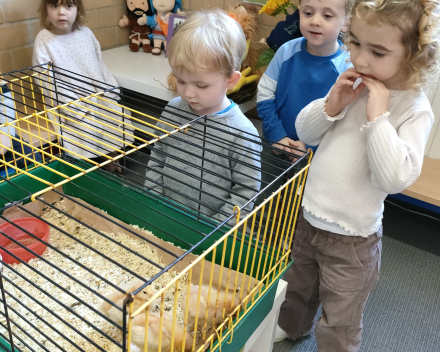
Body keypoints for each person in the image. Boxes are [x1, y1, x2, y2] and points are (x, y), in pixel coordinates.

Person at [278, 0, 439, 351]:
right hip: (309, 218)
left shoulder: (414, 109)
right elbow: (306, 132)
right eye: (355, 43)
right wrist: (332, 105)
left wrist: (377, 119)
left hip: (353, 240)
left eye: (377, 51)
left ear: (413, 56)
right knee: (297, 287)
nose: (359, 59)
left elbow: (394, 178)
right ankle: (291, 330)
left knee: (341, 314)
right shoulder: (353, 83)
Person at [144, 9, 262, 226]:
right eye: (180, 80)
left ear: (231, 80)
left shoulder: (242, 132)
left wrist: (212, 229)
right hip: (165, 217)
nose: (188, 93)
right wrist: (154, 201)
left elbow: (246, 190)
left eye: (201, 85)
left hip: (211, 233)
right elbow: (157, 157)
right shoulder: (173, 109)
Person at [256, 0, 353, 206]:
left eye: (327, 16)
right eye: (308, 13)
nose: (315, 21)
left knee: (297, 210)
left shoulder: (346, 68)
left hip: (314, 157)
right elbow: (265, 94)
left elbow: (344, 120)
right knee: (262, 201)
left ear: (345, 22)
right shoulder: (286, 51)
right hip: (274, 144)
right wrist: (276, 135)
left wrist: (309, 147)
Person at [33, 0, 133, 172]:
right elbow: (45, 80)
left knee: (117, 115)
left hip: (96, 94)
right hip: (67, 102)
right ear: (46, 10)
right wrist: (74, 107)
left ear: (78, 9)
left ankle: (112, 157)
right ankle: (92, 168)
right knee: (85, 126)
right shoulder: (44, 40)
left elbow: (99, 65)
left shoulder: (86, 34)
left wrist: (111, 90)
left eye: (68, 6)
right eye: (54, 6)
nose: (61, 12)